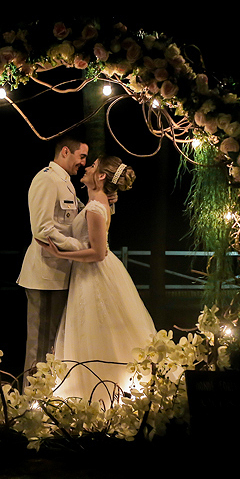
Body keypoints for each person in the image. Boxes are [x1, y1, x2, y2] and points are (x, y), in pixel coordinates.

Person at [41, 156, 156, 405]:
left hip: (93, 274)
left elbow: (98, 252)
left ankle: (96, 396)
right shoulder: (98, 203)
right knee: (102, 331)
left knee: (95, 329)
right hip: (91, 273)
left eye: (92, 166)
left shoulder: (95, 208)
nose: (87, 167)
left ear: (101, 176)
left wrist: (61, 254)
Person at [16, 136, 89, 390]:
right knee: (39, 345)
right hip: (45, 275)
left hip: (61, 274)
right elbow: (42, 229)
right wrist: (78, 247)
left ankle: (46, 396)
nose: (83, 162)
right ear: (65, 151)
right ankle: (30, 401)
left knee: (52, 345)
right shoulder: (46, 179)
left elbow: (82, 218)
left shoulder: (65, 182)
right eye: (81, 156)